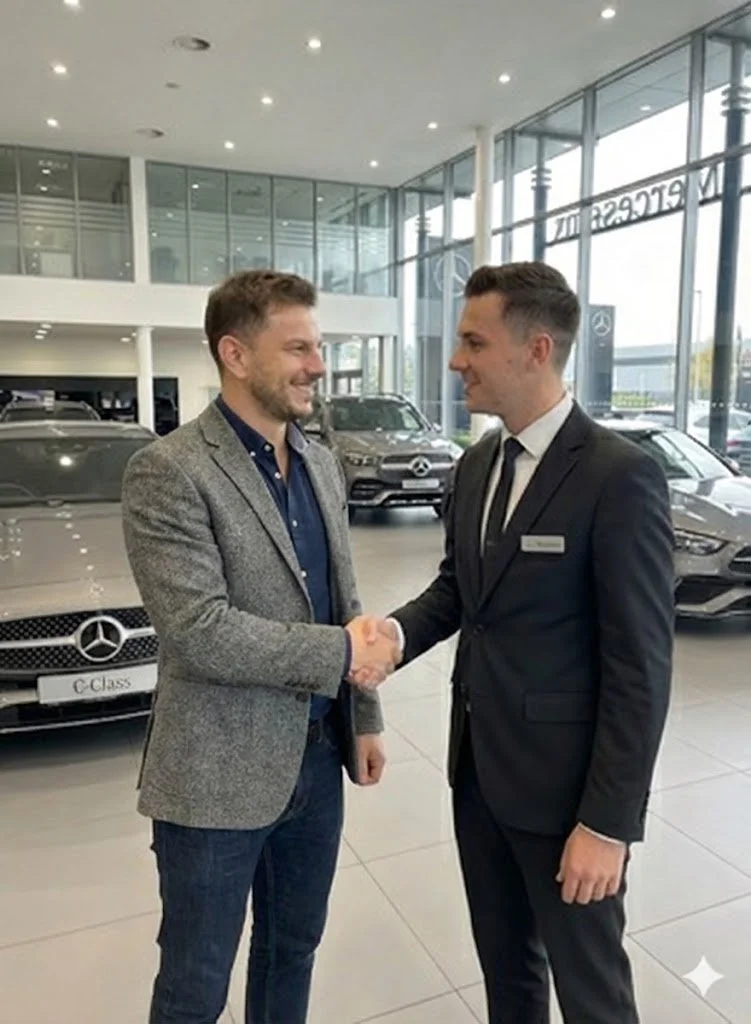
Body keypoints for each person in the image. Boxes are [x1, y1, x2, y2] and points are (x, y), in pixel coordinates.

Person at [359, 262, 675, 1024]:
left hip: (569, 799)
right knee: (509, 981)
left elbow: (641, 666)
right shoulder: (475, 467)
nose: (454, 360)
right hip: (478, 777)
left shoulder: (617, 475)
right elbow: (461, 591)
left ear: (535, 349)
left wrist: (607, 824)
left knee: (592, 993)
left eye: (472, 340)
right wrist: (394, 635)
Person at [121, 269, 401, 1024]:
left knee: (292, 951)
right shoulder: (169, 471)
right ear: (235, 355)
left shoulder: (316, 460)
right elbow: (197, 630)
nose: (317, 365)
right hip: (215, 770)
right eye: (299, 348)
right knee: (195, 981)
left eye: (319, 346)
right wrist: (343, 657)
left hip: (318, 756)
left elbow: (342, 600)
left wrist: (362, 715)